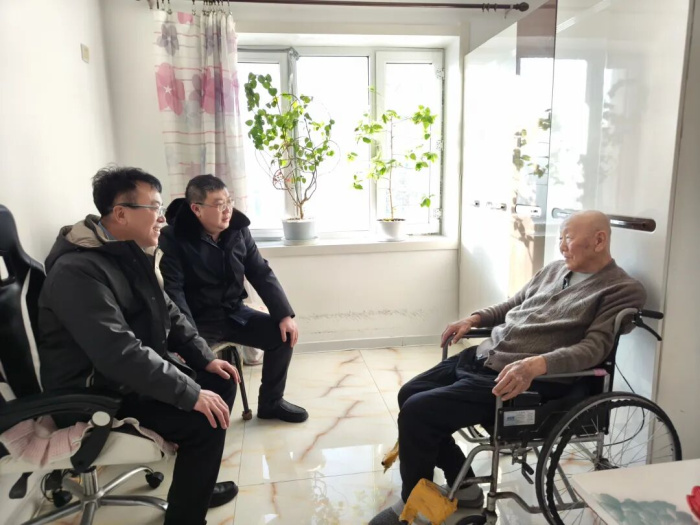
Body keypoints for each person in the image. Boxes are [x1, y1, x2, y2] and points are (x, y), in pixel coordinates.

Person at [369, 210, 647, 525]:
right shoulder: (554, 269)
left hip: (520, 380)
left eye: (568, 238)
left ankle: (415, 510)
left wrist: (537, 364)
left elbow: (594, 348)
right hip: (485, 356)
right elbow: (512, 304)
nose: (561, 246)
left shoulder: (620, 289)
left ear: (599, 241)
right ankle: (465, 484)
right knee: (409, 393)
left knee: (419, 411)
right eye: (560, 238)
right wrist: (473, 319)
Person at [38, 166, 241, 525]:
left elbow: (168, 311)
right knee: (204, 423)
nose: (163, 218)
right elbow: (118, 353)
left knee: (221, 379)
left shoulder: (125, 253)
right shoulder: (77, 273)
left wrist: (204, 358)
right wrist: (189, 393)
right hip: (94, 395)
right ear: (121, 213)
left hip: (123, 379)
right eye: (155, 208)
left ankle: (196, 485)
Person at [158, 174, 308, 423]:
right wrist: (188, 341)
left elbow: (260, 271)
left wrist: (284, 314)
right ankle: (194, 420)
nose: (228, 210)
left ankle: (271, 404)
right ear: (196, 209)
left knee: (282, 337)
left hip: (234, 312)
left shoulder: (238, 229)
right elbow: (175, 293)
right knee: (183, 359)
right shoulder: (173, 238)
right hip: (198, 319)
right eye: (219, 204)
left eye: (229, 201)